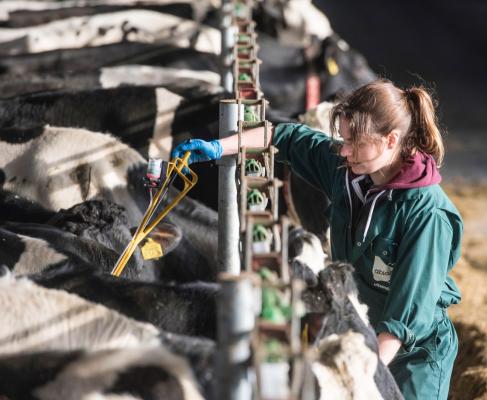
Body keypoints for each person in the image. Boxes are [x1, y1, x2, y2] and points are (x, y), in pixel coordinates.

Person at [172, 79, 463, 400]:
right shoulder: (349, 172)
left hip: (412, 356)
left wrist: (361, 375)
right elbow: (285, 137)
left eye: (355, 142)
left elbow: (403, 322)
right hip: (361, 333)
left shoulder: (427, 215)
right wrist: (219, 147)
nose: (344, 150)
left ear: (391, 140)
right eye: (344, 138)